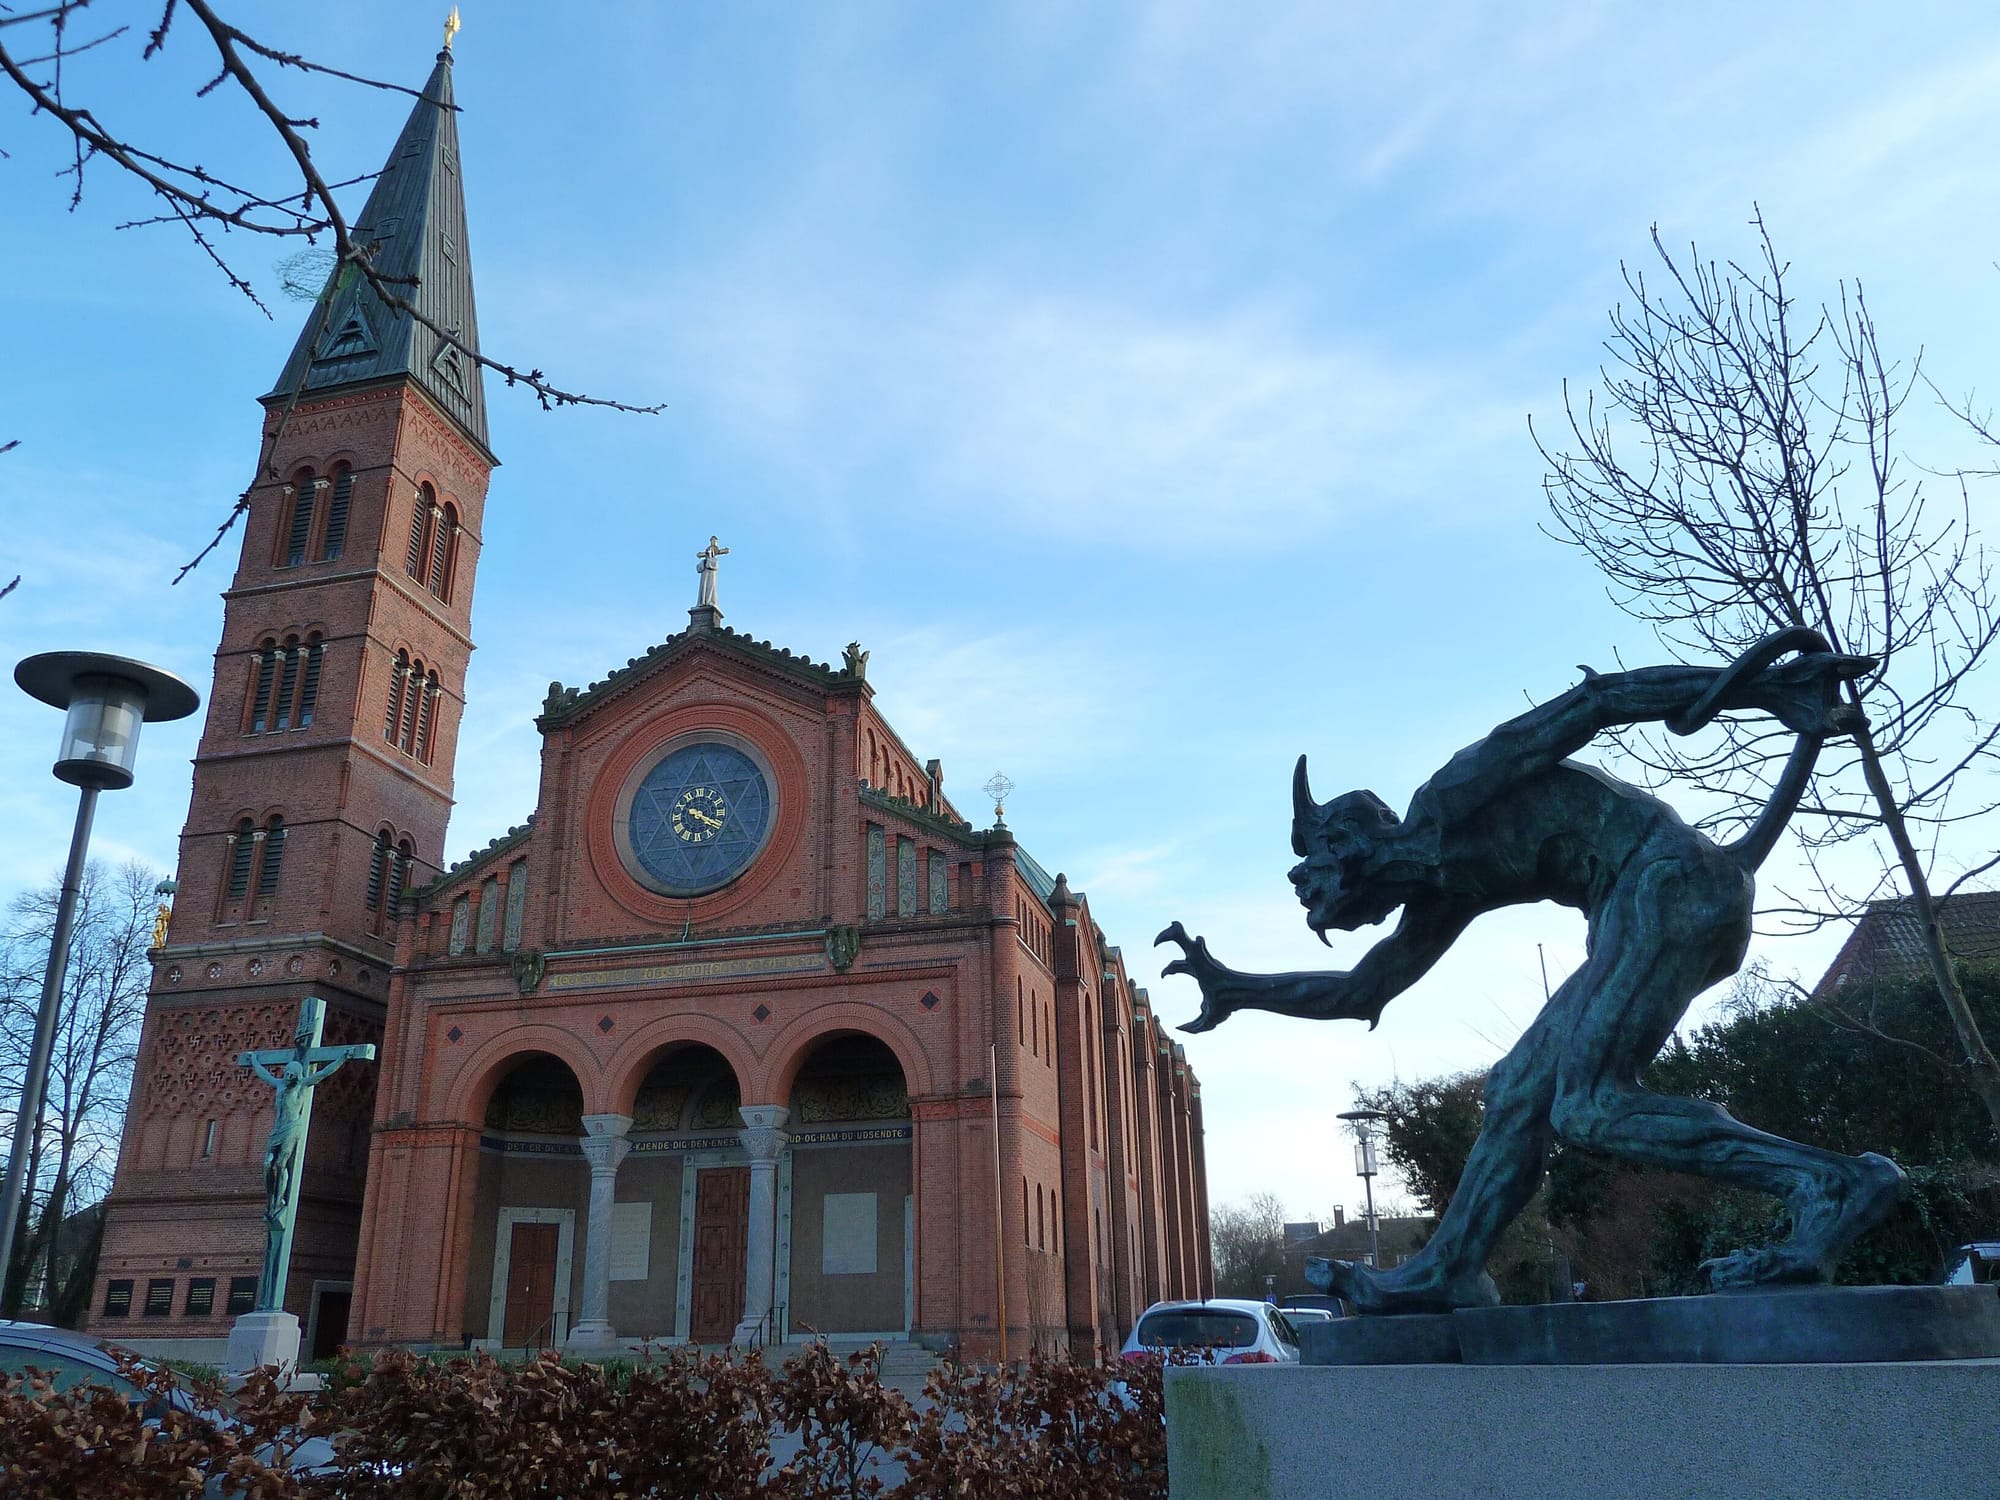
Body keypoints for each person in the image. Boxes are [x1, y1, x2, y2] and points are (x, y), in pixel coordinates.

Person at [1158, 630, 1906, 1313]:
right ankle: (1445, 1269)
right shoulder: (1441, 888)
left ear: (1349, 844)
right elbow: (1361, 989)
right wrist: (1237, 988)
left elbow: (1596, 703)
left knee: (1588, 1105)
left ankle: (1829, 1184)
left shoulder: (1449, 800)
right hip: (1656, 898)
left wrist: (1760, 691)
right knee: (1518, 1090)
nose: (1314, 898)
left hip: (1670, 886)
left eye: (1312, 872)